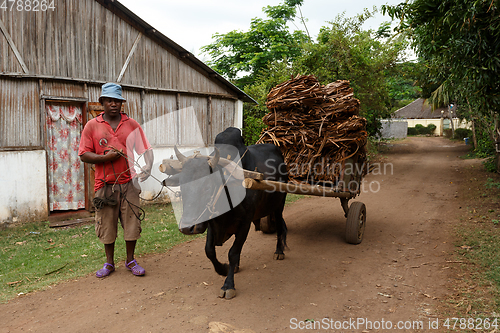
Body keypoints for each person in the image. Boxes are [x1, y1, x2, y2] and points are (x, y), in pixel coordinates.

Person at [79, 82, 154, 278]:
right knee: (106, 224)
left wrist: (148, 166)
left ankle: (130, 260)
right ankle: (109, 263)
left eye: (117, 101)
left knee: (131, 223)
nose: (113, 104)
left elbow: (146, 149)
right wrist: (105, 158)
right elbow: (84, 155)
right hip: (104, 186)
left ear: (122, 103)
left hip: (129, 183)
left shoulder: (131, 124)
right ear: (102, 102)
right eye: (109, 100)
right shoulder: (92, 126)